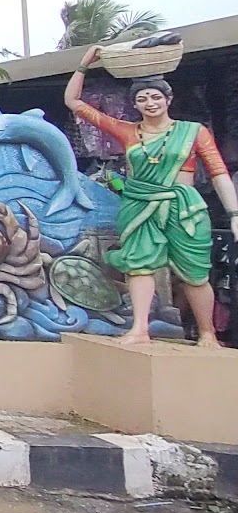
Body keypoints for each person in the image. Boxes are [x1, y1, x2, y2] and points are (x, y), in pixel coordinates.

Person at [66, 46, 238, 348]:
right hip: (140, 205)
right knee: (139, 265)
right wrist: (84, 64)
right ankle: (140, 328)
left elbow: (219, 173)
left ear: (168, 100)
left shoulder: (193, 131)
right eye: (142, 98)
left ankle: (208, 333)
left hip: (184, 208)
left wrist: (234, 214)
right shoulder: (127, 131)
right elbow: (73, 102)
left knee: (195, 273)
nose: (150, 102)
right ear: (135, 105)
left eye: (156, 96)